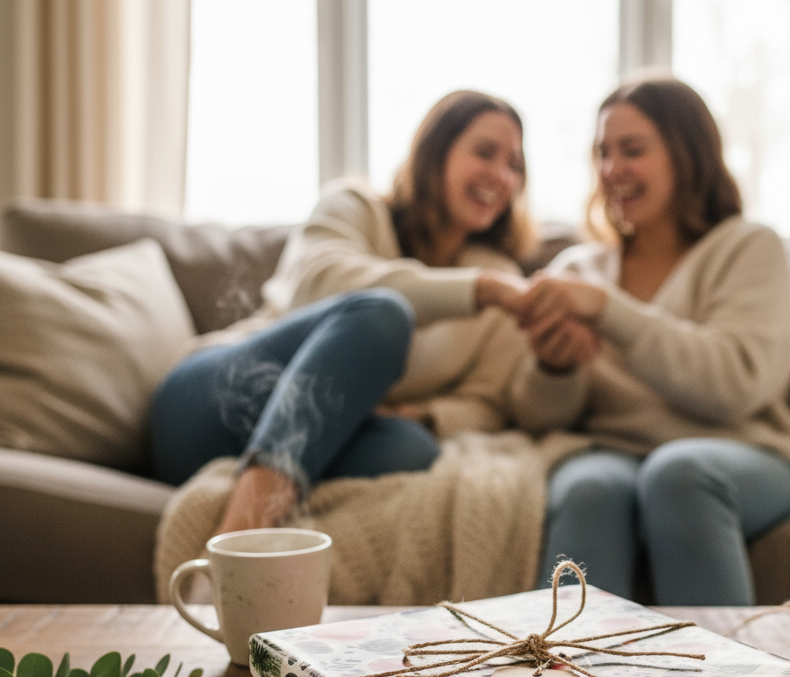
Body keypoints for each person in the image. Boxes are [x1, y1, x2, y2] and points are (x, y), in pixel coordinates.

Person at [498, 76, 790, 605]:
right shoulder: (579, 268)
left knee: (678, 474)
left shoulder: (746, 247)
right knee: (588, 487)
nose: (612, 170)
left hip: (745, 450)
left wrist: (609, 311)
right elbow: (537, 419)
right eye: (603, 154)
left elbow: (735, 385)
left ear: (687, 155)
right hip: (613, 451)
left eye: (632, 150)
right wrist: (554, 370)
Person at [150, 90, 532, 535]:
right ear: (436, 152)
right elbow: (318, 286)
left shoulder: (500, 274)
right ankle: (238, 546)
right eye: (485, 153)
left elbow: (490, 401)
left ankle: (269, 480)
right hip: (215, 403)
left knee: (412, 449)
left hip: (318, 433)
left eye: (515, 166)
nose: (502, 176)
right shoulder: (355, 207)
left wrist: (426, 415)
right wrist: (478, 290)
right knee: (384, 315)